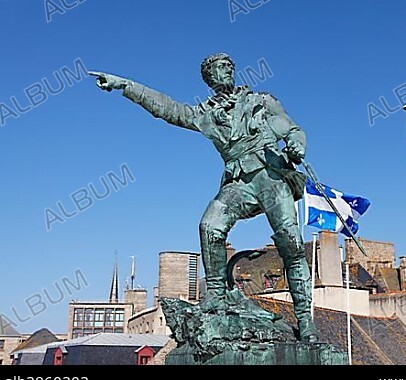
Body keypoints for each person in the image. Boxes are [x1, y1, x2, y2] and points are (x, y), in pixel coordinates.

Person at [90, 53, 318, 342]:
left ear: (232, 71)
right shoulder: (205, 113)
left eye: (225, 67)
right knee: (209, 226)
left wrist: (297, 144)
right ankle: (217, 297)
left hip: (271, 178)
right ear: (208, 80)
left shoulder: (261, 100)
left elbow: (293, 128)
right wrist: (125, 86)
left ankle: (305, 321)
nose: (221, 73)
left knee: (291, 245)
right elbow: (167, 109)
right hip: (239, 183)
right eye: (214, 71)